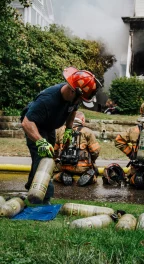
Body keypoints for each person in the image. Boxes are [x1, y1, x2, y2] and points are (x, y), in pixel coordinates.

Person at [21, 67, 102, 204]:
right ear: (72, 91)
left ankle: (31, 186)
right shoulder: (47, 99)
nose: (80, 103)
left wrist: (69, 130)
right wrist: (41, 141)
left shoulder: (73, 98)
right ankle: (43, 198)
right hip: (35, 126)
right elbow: (26, 123)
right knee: (42, 158)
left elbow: (72, 112)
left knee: (48, 158)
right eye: (80, 100)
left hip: (49, 126)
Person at [53, 111, 101, 186]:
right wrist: (92, 161)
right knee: (95, 172)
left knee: (55, 173)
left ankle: (61, 176)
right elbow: (95, 151)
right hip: (82, 167)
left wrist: (56, 160)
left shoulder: (60, 130)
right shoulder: (87, 132)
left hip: (64, 166)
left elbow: (54, 150)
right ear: (82, 120)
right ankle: (90, 178)